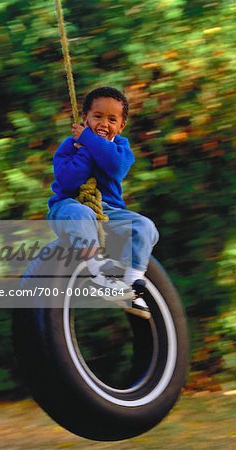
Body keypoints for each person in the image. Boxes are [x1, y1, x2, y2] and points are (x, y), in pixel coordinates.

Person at [47, 87, 159, 318]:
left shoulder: (120, 148)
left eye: (112, 119)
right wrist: (84, 151)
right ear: (85, 118)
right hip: (69, 207)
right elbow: (69, 180)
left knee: (144, 226)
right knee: (81, 214)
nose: (103, 124)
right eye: (97, 117)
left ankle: (132, 282)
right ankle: (99, 275)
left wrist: (88, 141)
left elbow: (115, 167)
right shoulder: (69, 146)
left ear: (121, 126)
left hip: (108, 213)